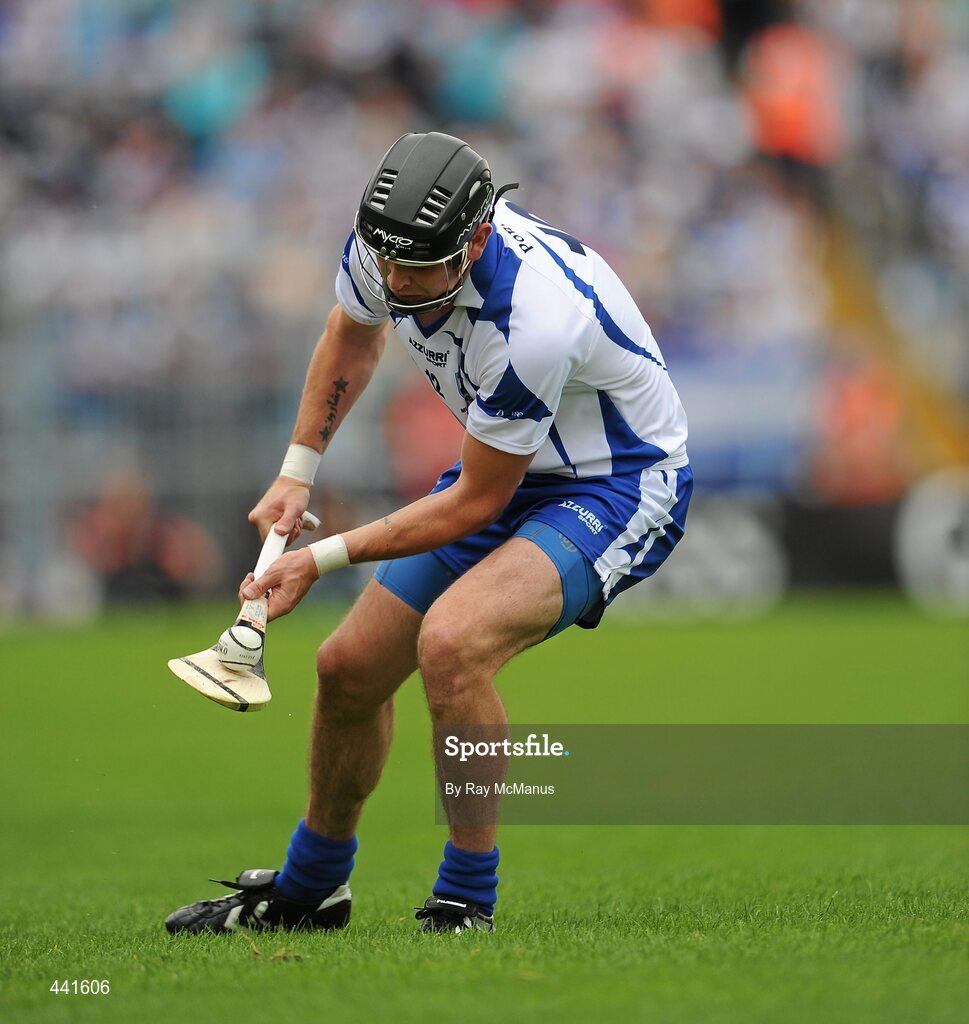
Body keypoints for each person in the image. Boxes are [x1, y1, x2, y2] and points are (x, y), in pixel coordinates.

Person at [165, 131, 692, 935]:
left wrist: (321, 555)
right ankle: (312, 890)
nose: (400, 284)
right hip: (509, 466)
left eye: (421, 269)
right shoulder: (389, 245)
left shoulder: (534, 320)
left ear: (476, 238)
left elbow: (475, 503)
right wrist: (296, 471)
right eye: (390, 266)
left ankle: (463, 900)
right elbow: (352, 333)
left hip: (616, 484)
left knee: (452, 644)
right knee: (345, 669)